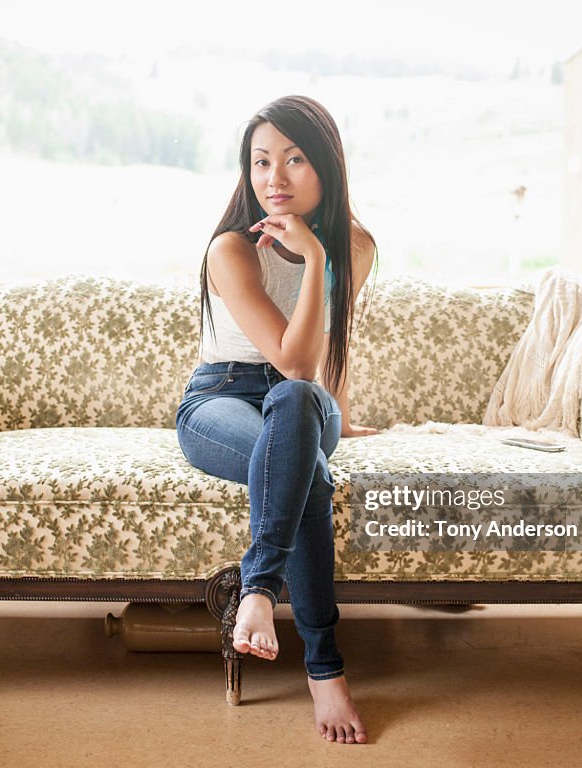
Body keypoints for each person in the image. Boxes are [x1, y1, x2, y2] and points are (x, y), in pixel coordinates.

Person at [174, 95, 378, 744]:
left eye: (293, 160)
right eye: (261, 163)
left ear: (326, 166)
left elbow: (315, 361)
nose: (275, 179)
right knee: (309, 471)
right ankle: (324, 667)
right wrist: (315, 261)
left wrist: (319, 257)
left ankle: (257, 591)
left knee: (296, 406)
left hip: (301, 400)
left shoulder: (356, 246)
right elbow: (291, 360)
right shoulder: (230, 250)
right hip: (221, 399)